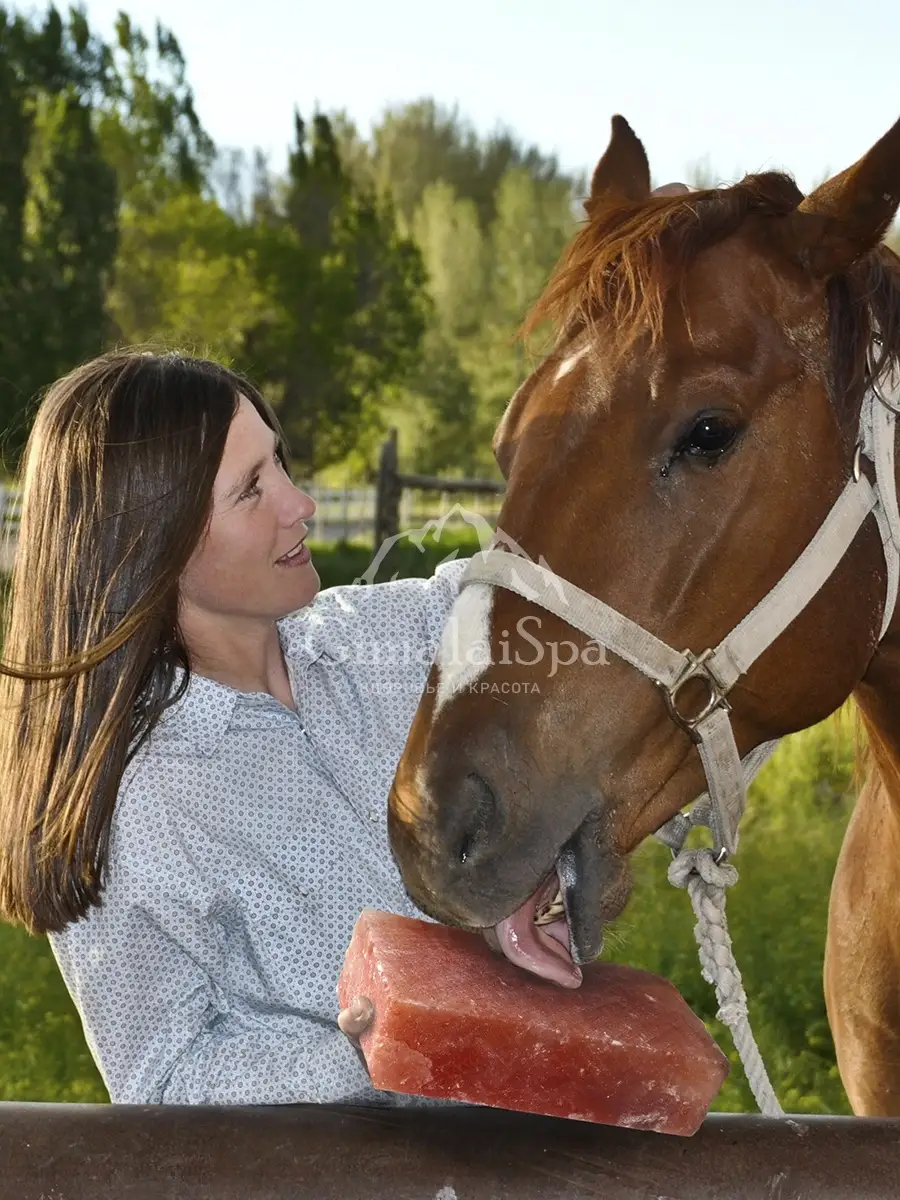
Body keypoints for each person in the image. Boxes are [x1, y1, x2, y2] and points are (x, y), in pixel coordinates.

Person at [0, 349, 470, 1105]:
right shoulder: (134, 808)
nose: (299, 503)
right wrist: (362, 1053)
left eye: (278, 463)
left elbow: (527, 599)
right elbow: (163, 1075)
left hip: (553, 1153)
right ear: (154, 542)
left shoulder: (381, 643)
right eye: (252, 489)